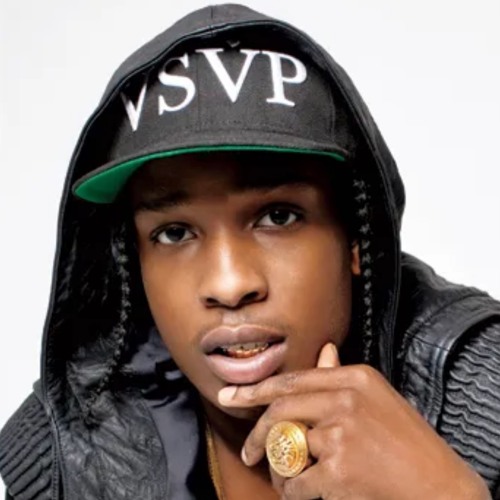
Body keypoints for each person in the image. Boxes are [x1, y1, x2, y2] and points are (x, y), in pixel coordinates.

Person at [1, 3, 499, 499]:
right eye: (174, 233)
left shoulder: (485, 395)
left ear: (356, 239)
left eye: (278, 216)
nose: (229, 284)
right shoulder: (63, 454)